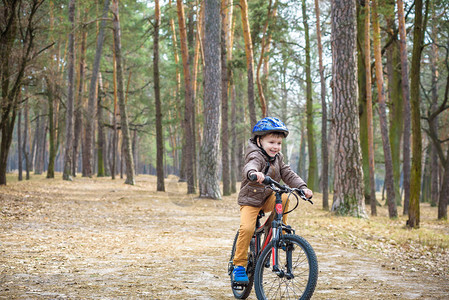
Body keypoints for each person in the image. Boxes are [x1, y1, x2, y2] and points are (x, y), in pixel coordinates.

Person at [231, 117, 313, 284]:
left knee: (284, 197)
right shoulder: (255, 154)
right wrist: (254, 173)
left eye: (279, 143)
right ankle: (238, 265)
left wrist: (302, 187)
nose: (276, 147)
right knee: (246, 229)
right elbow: (250, 165)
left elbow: (288, 173)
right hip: (251, 200)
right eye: (272, 142)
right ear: (259, 140)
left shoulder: (278, 158)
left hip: (268, 197)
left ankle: (276, 232)